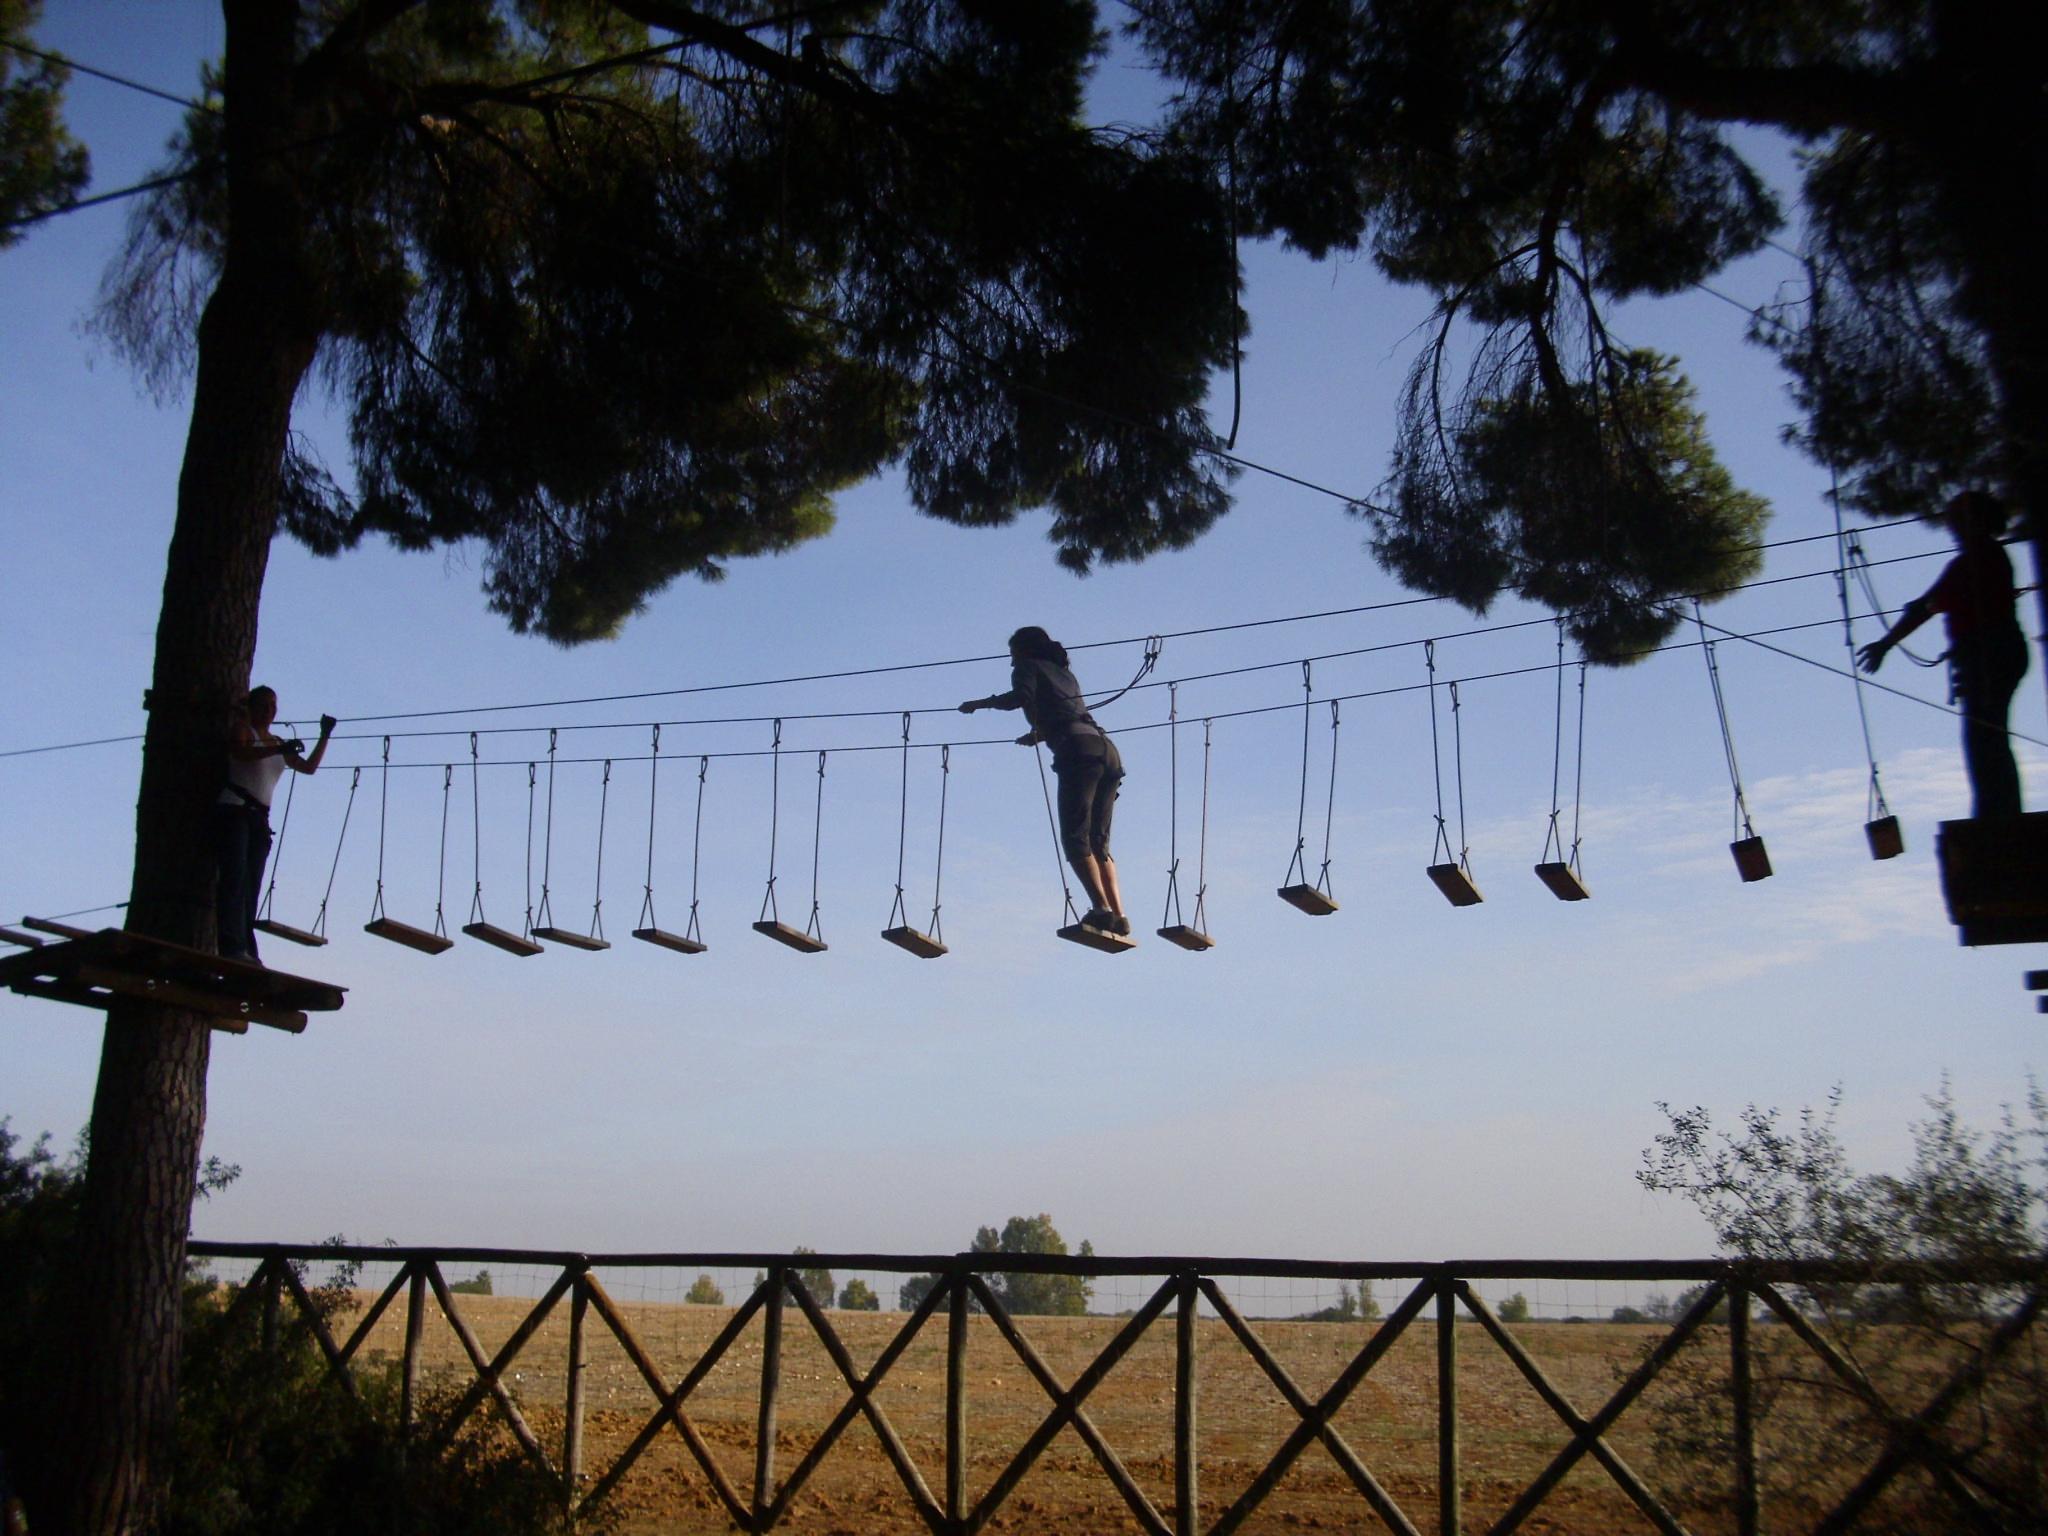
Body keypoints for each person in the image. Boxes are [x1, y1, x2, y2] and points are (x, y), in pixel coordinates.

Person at [1858, 489, 2031, 818]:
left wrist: (1886, 643)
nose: (1951, 528)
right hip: (1994, 653)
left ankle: (1998, 817)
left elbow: (1927, 606)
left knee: (1984, 740)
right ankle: (1999, 813)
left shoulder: (1977, 558)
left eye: (1955, 521)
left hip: (1988, 655)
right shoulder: (1985, 557)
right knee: (1989, 737)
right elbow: (1930, 603)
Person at [961, 627, 1130, 935]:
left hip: (1079, 753)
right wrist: (1039, 735)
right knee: (1098, 842)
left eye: (1012, 656)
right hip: (1107, 752)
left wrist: (980, 703)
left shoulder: (1028, 667)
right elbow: (1068, 713)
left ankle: (1101, 910)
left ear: (1023, 652)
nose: (1012, 664)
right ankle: (1119, 915)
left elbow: (1020, 698)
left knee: (1075, 838)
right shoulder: (1066, 675)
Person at [216, 686, 335, 962]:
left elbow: (308, 767)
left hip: (259, 819)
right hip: (235, 810)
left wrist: (324, 736)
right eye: (266, 704)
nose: (271, 710)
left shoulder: (277, 742)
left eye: (274, 705)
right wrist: (278, 748)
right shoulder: (244, 731)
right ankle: (231, 945)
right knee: (234, 878)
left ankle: (245, 948)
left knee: (251, 885)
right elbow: (242, 754)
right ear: (253, 707)